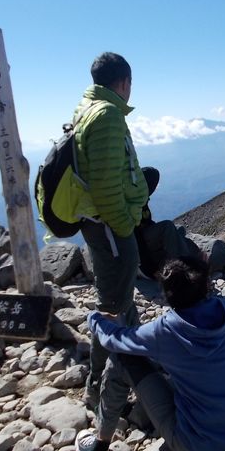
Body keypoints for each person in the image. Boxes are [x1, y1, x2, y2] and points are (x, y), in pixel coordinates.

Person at [75, 256, 225, 451]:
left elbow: (113, 340)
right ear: (206, 284)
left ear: (167, 294)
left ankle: (98, 447)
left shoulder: (165, 331)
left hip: (198, 449)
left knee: (121, 359)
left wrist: (95, 318)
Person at [74, 52, 149, 410]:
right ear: (124, 82)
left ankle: (129, 368)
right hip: (109, 226)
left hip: (102, 224)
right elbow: (104, 186)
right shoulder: (106, 115)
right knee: (112, 304)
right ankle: (100, 385)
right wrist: (125, 227)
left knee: (118, 300)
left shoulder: (90, 109)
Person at [135, 166, 199, 279]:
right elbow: (135, 235)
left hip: (146, 238)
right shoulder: (134, 202)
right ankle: (182, 269)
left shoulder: (141, 198)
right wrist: (147, 267)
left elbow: (146, 222)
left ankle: (177, 261)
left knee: (179, 229)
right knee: (168, 227)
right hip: (140, 245)